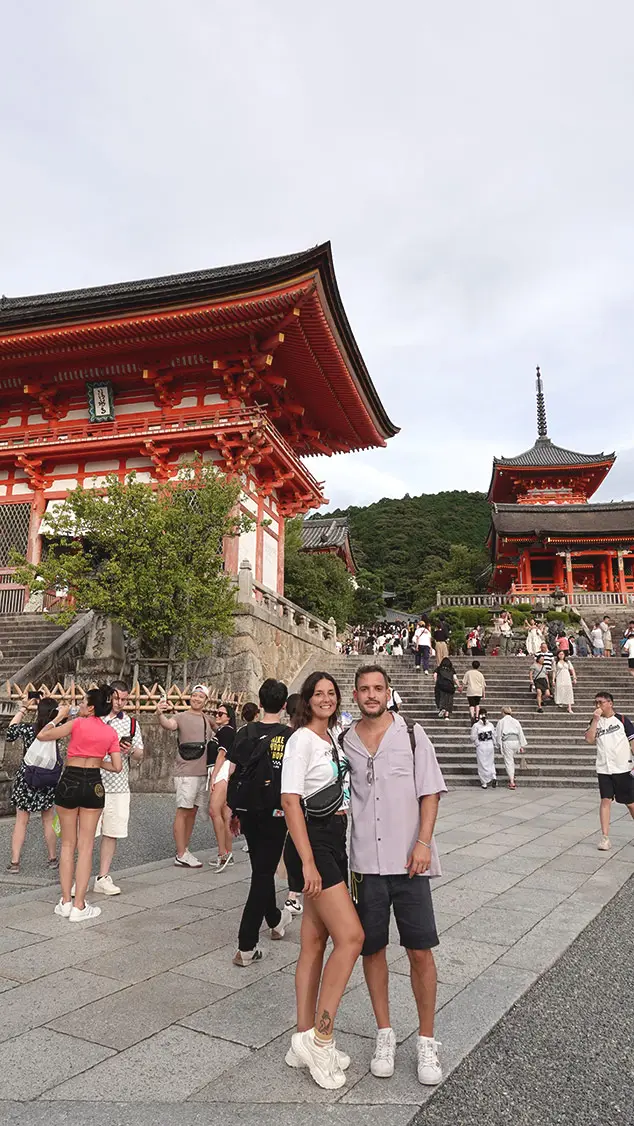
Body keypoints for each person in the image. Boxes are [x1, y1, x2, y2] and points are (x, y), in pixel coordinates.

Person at [344, 664, 446, 1086]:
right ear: (355, 695)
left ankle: (426, 1039)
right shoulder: (344, 741)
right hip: (365, 863)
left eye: (378, 688)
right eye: (364, 689)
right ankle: (385, 1033)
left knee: (420, 949)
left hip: (409, 861)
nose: (371, 695)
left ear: (388, 691)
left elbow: (430, 791)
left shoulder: (411, 734)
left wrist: (423, 843)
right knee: (373, 950)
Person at [281, 671, 363, 1091]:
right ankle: (322, 1037)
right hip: (313, 842)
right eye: (319, 694)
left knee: (314, 942)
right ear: (307, 700)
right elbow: (290, 799)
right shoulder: (300, 741)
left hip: (333, 836)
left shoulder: (332, 738)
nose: (326, 700)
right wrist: (308, 863)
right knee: (351, 937)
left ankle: (301, 1037)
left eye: (332, 694)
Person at [39, 686, 122, 921]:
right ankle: (80, 906)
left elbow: (43, 735)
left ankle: (65, 902)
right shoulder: (110, 733)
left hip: (70, 780)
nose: (80, 705)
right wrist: (96, 762)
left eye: (84, 702)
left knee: (67, 844)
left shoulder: (76, 724)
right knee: (85, 846)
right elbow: (117, 766)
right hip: (94, 784)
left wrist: (58, 716)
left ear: (92, 707)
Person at [231, 679, 295, 965]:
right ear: (284, 705)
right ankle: (246, 945)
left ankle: (276, 919)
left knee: (262, 866)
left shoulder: (245, 731)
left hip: (247, 809)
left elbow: (233, 771)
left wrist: (232, 811)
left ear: (259, 703)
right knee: (262, 873)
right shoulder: (291, 736)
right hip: (275, 811)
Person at [157, 684, 215, 869]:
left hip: (202, 772)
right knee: (183, 810)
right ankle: (181, 853)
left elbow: (219, 732)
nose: (197, 699)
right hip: (186, 772)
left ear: (206, 700)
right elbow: (169, 725)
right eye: (194, 695)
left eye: (201, 696)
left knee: (192, 811)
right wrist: (159, 714)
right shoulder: (181, 716)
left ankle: (185, 849)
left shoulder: (208, 719)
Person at [94, 681, 144, 895]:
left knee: (111, 832)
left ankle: (103, 876)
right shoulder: (96, 718)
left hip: (119, 784)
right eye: (117, 698)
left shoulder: (131, 723)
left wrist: (131, 749)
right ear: (109, 697)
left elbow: (141, 753)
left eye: (124, 699)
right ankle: (79, 876)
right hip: (94, 782)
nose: (120, 703)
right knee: (86, 833)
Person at [6, 695, 60, 874]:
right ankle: (52, 858)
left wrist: (24, 708)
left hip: (27, 777)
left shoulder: (29, 729)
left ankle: (15, 862)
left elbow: (11, 731)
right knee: (48, 819)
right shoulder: (56, 730)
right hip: (47, 778)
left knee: (21, 821)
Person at [585, 691, 634, 850]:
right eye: (596, 702)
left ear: (610, 703)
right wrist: (595, 721)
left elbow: (633, 742)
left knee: (631, 804)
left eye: (600, 702)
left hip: (622, 768)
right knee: (605, 800)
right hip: (604, 768)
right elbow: (589, 739)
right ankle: (605, 838)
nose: (598, 705)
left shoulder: (622, 720)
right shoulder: (595, 721)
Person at [208, 703, 237, 871]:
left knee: (214, 810)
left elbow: (221, 754)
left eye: (221, 713)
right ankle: (228, 851)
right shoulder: (226, 731)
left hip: (221, 770)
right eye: (216, 712)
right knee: (225, 812)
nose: (217, 715)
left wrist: (213, 777)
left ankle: (222, 853)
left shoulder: (225, 731)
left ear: (228, 717)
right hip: (225, 770)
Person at [495, 707, 527, 790]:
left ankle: (512, 781)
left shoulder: (501, 722)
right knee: (511, 759)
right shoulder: (516, 721)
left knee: (509, 761)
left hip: (507, 741)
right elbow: (520, 732)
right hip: (516, 741)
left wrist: (498, 744)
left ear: (503, 712)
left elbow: (498, 734)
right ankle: (512, 775)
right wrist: (521, 745)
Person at [470, 710, 497, 789]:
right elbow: (494, 735)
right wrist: (494, 743)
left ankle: (484, 782)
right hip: (489, 744)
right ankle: (493, 776)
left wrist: (476, 743)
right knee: (490, 762)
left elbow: (473, 737)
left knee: (482, 763)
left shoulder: (476, 725)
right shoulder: (490, 725)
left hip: (481, 745)